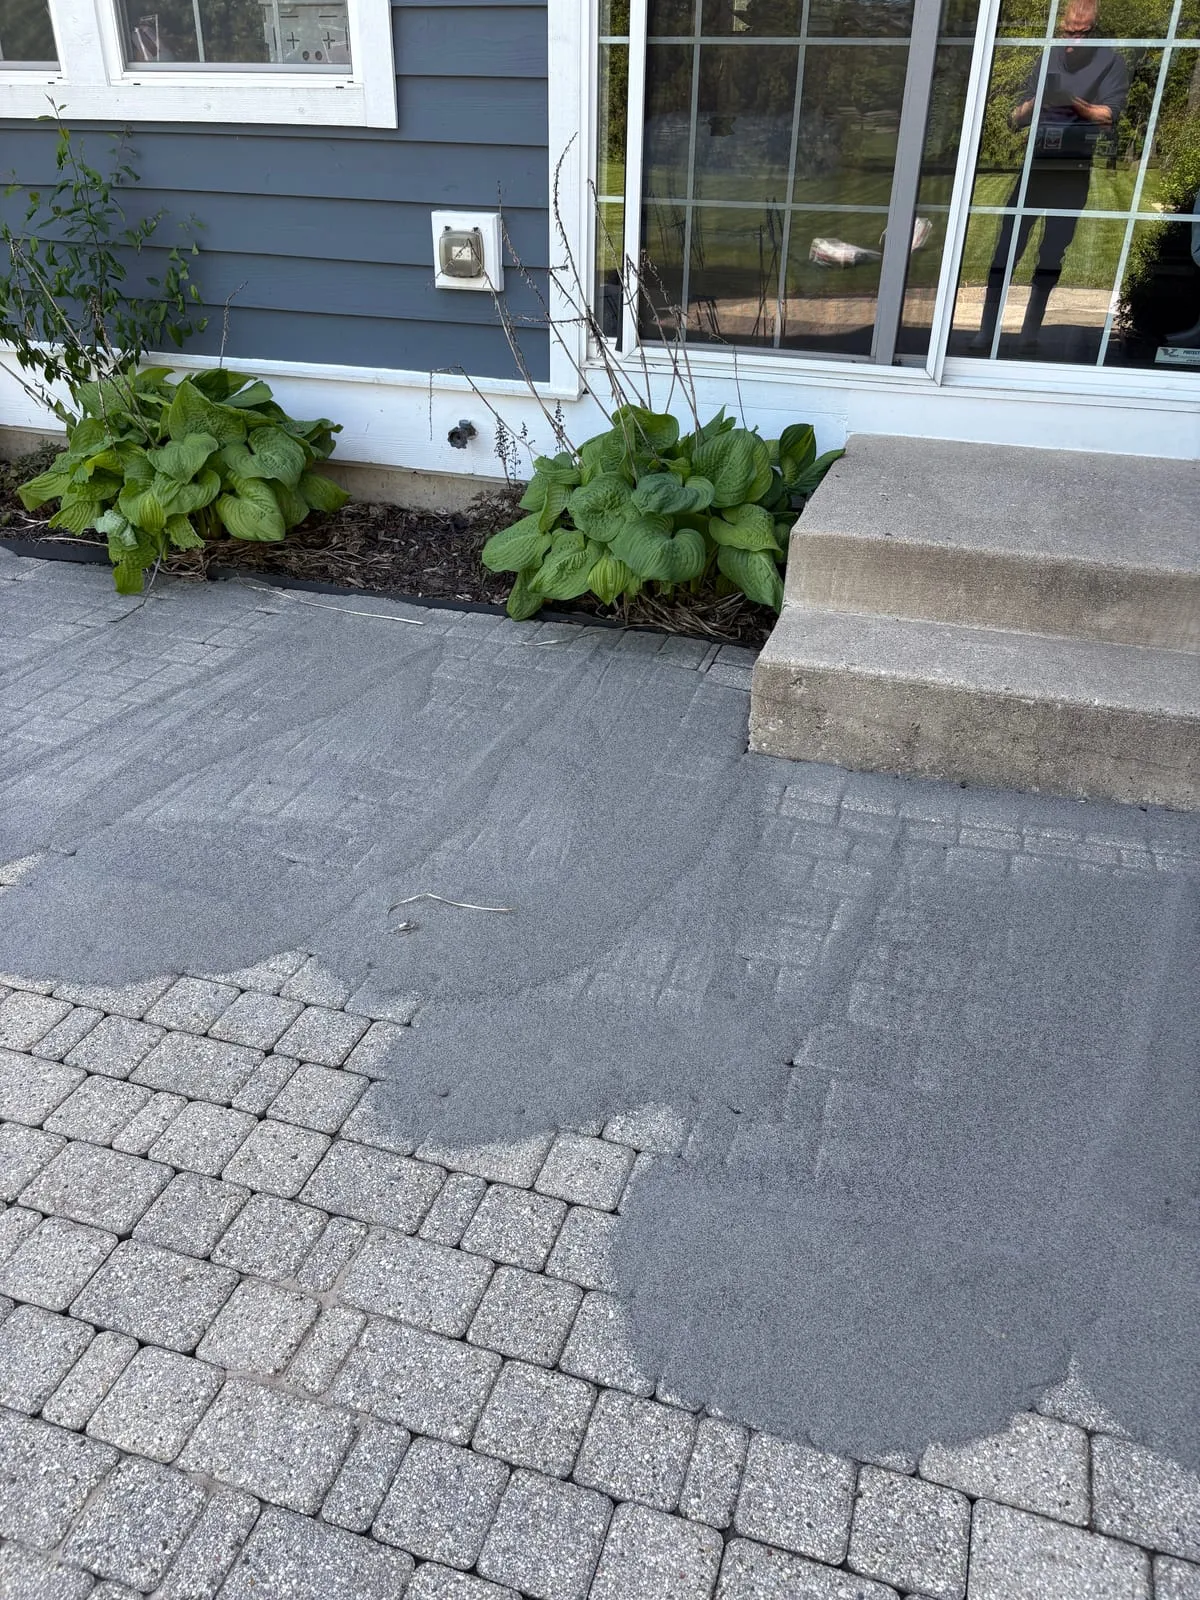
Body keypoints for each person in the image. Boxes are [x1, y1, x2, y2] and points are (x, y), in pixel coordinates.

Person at [971, 0, 1128, 354]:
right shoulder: (1047, 56)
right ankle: (985, 331)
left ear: (1095, 31)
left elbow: (1108, 115)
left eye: (1081, 34)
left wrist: (1073, 102)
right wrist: (1038, 100)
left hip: (1073, 171)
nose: (1071, 42)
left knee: (1052, 253)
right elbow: (1015, 117)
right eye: (1066, 31)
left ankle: (1029, 332)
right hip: (1035, 166)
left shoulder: (1112, 62)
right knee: (1006, 247)